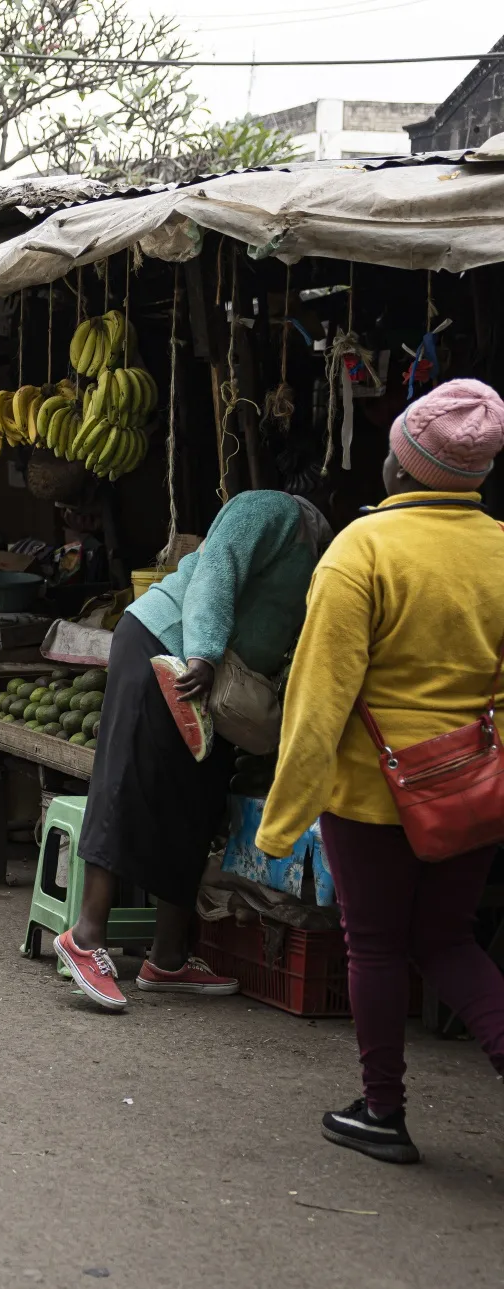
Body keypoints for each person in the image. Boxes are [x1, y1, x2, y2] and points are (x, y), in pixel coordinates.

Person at [256, 380, 504, 1165]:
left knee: (375, 947)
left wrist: (283, 816)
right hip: (473, 790)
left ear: (400, 467)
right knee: (447, 938)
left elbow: (318, 696)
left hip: (372, 794)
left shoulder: (361, 551)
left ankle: (382, 1111)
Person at [55, 487, 333, 1010]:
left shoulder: (325, 559)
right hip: (165, 645)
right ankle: (85, 938)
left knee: (197, 806)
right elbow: (217, 568)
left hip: (216, 681)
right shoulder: (269, 509)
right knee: (130, 782)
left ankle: (167, 959)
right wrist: (202, 650)